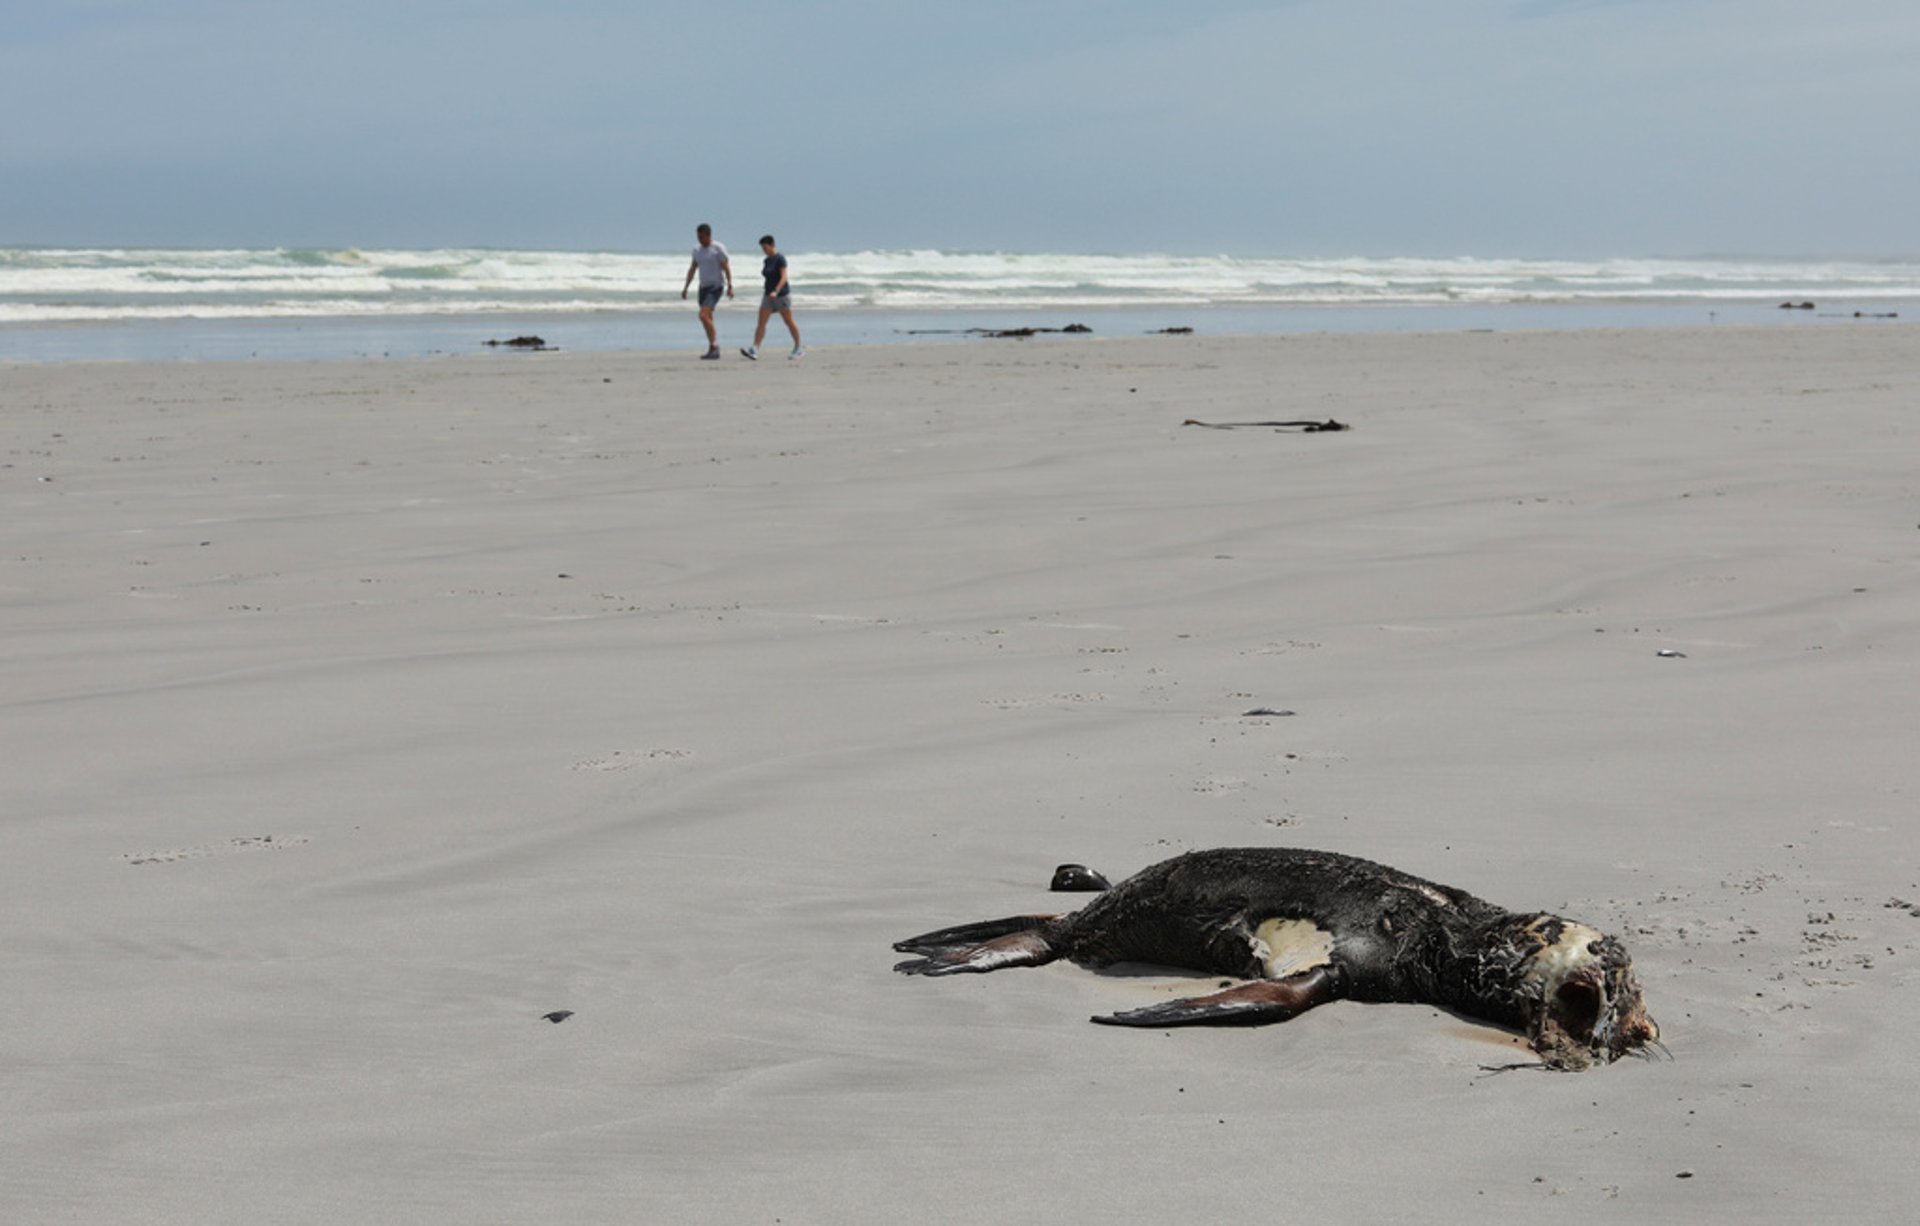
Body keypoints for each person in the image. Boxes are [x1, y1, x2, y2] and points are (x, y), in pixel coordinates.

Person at [739, 235, 804, 361]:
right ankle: (755, 349)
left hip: (782, 295)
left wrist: (776, 290)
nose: (764, 250)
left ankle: (798, 348)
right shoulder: (767, 260)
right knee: (761, 323)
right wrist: (770, 291)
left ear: (772, 245)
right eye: (762, 248)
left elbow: (784, 277)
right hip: (768, 296)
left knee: (788, 322)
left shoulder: (780, 258)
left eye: (765, 247)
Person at [680, 223, 732, 359]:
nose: (700, 240)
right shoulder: (697, 250)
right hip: (703, 287)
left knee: (703, 315)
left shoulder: (718, 248)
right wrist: (686, 287)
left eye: (702, 237)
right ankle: (712, 348)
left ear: (709, 235)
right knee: (708, 318)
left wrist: (730, 286)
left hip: (716, 287)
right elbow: (692, 268)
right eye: (698, 237)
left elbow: (726, 267)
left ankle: (715, 346)